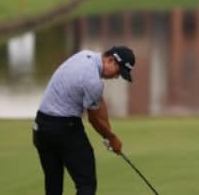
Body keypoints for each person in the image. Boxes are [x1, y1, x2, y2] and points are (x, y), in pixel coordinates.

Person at [33, 46, 136, 195]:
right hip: (64, 129)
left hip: (41, 128)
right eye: (118, 72)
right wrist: (111, 137)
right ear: (110, 60)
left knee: (53, 185)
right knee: (86, 184)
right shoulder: (93, 81)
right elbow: (93, 119)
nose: (116, 77)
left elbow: (98, 99)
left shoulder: (85, 56)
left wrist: (108, 131)